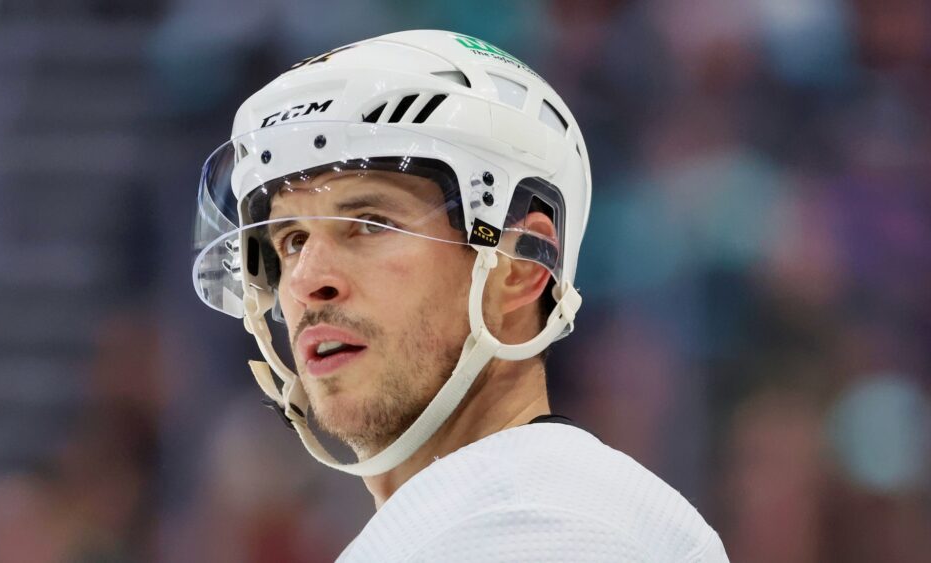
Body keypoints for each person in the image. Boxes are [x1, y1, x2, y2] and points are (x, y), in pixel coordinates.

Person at [193, 30, 728, 562]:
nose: (308, 280)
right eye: (292, 240)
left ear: (519, 266)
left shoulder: (531, 527)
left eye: (370, 223)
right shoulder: (480, 519)